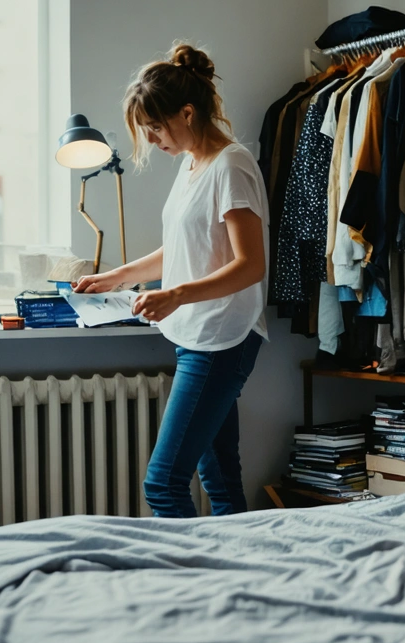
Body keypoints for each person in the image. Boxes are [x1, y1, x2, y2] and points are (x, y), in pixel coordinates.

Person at [73, 43, 268, 517]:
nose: (151, 138)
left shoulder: (232, 166)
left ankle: (185, 566)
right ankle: (239, 560)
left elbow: (251, 264)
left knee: (162, 484)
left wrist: (176, 294)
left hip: (222, 337)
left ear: (187, 113)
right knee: (220, 479)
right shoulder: (191, 164)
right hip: (199, 333)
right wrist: (117, 277)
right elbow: (185, 247)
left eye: (156, 126)